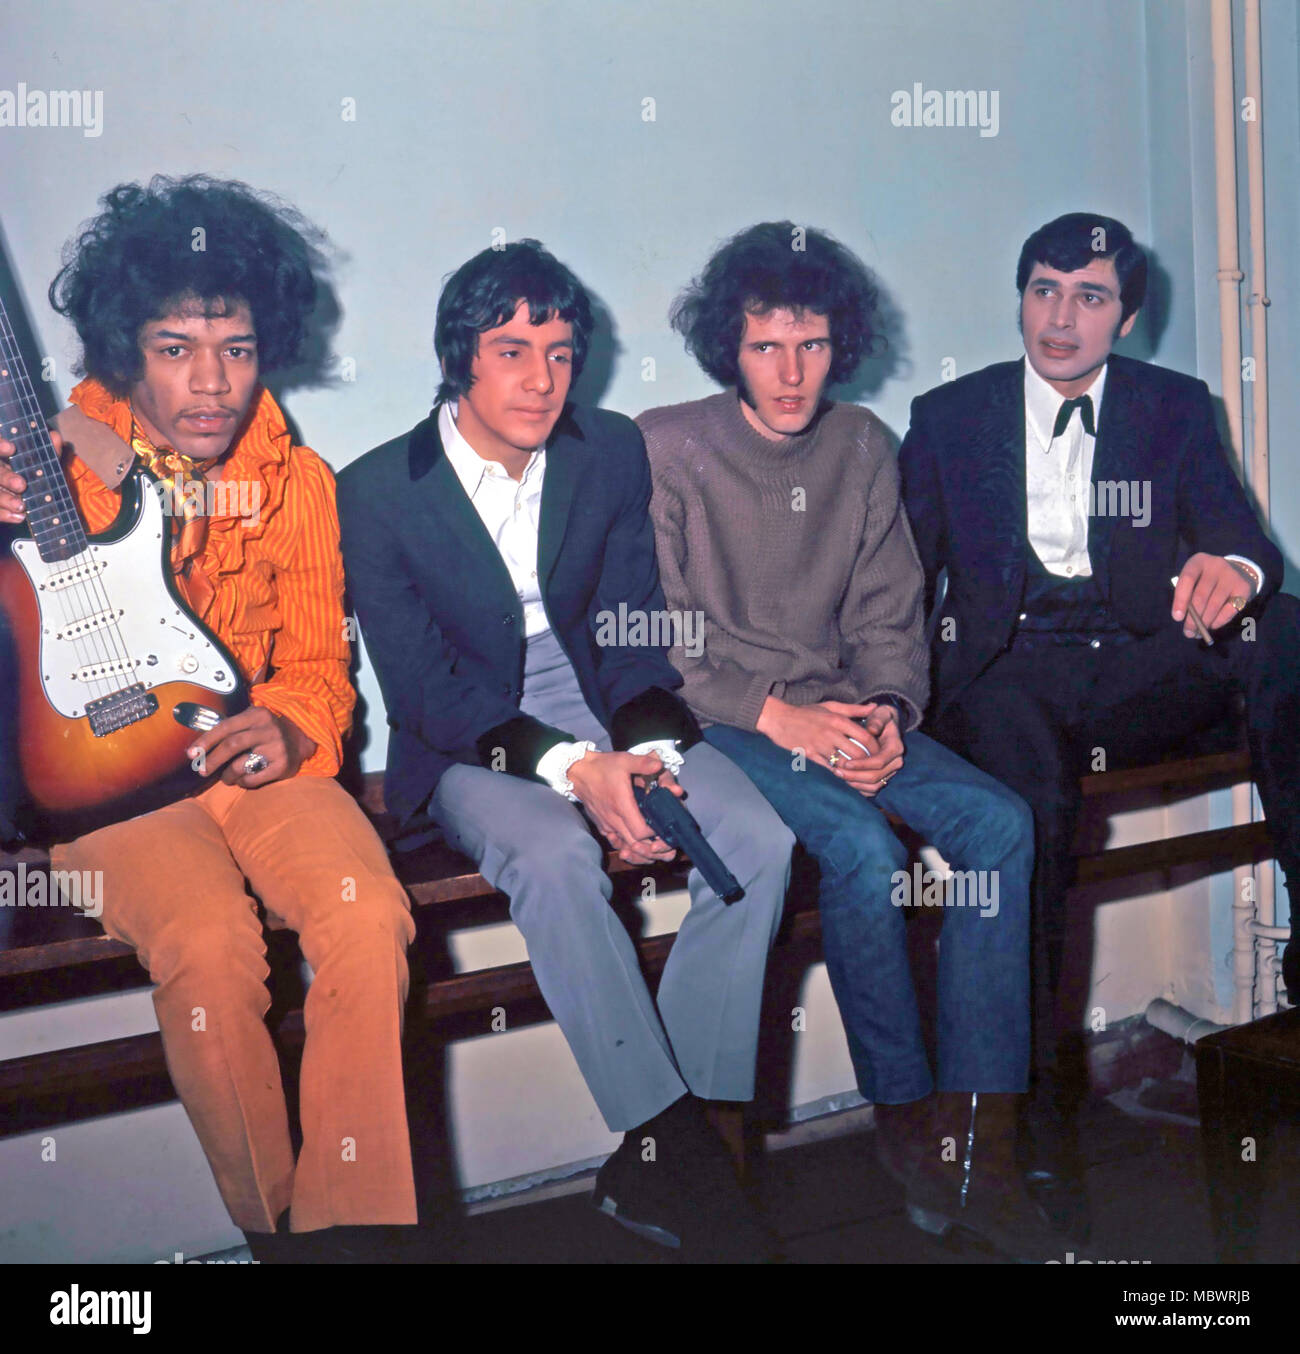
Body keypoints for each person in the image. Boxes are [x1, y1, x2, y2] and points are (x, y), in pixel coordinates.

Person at [336, 239, 794, 1261]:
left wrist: (641, 756)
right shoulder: (375, 490)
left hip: (607, 700)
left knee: (757, 838)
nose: (542, 381)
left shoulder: (608, 448)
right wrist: (571, 772)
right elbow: (425, 692)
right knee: (552, 855)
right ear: (457, 359)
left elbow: (631, 624)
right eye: (511, 351)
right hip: (470, 739)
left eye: (559, 353)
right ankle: (679, 1147)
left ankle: (681, 1137)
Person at [0, 175, 420, 1262]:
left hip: (249, 760)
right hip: (104, 780)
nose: (210, 380)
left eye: (235, 348)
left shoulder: (300, 482)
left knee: (366, 915)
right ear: (126, 351)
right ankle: (277, 1229)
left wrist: (292, 725)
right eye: (175, 347)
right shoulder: (44, 465)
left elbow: (319, 663)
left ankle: (351, 1232)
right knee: (206, 943)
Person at [637, 221, 1061, 1260]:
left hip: (844, 710)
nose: (791, 373)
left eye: (813, 345)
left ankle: (981, 1140)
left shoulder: (864, 444)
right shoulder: (666, 445)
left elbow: (889, 612)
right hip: (724, 721)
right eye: (766, 346)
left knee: (1000, 823)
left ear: (842, 344)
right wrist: (776, 715)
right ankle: (906, 1121)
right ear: (729, 348)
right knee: (865, 853)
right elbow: (656, 635)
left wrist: (886, 712)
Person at [898, 209, 1298, 1204]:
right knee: (1029, 803)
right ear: (1020, 299)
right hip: (1006, 668)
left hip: (1134, 663)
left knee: (1288, 629)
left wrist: (1236, 572)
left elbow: (1246, 540)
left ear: (1125, 318)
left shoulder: (1173, 405)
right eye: (1044, 290)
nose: (1060, 318)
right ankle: (1028, 1100)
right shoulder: (950, 415)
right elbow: (898, 582)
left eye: (1089, 297)